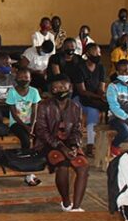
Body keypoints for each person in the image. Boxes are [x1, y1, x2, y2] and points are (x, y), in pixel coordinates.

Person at [33, 75, 89, 212]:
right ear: (51, 90)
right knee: (62, 165)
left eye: (64, 87)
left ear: (70, 89)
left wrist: (75, 145)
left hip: (69, 144)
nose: (60, 90)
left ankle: (76, 207)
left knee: (83, 166)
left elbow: (77, 130)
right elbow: (41, 131)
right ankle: (66, 201)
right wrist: (61, 146)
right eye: (56, 88)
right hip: (48, 144)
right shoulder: (44, 105)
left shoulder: (75, 107)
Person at [6, 67, 41, 186]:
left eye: (26, 77)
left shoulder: (34, 92)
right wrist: (26, 127)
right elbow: (14, 114)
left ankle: (35, 164)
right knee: (25, 140)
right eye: (20, 77)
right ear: (16, 79)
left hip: (30, 123)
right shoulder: (12, 92)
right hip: (17, 123)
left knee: (39, 137)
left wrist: (32, 125)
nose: (23, 80)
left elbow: (35, 111)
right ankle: (28, 171)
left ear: (30, 79)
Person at [77, 43, 107, 158]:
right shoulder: (80, 68)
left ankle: (90, 144)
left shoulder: (100, 67)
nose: (98, 55)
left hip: (94, 99)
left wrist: (101, 95)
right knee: (74, 111)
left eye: (99, 52)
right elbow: (82, 91)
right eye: (96, 52)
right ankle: (75, 143)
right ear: (88, 53)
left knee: (93, 112)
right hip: (80, 98)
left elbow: (101, 87)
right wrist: (98, 96)